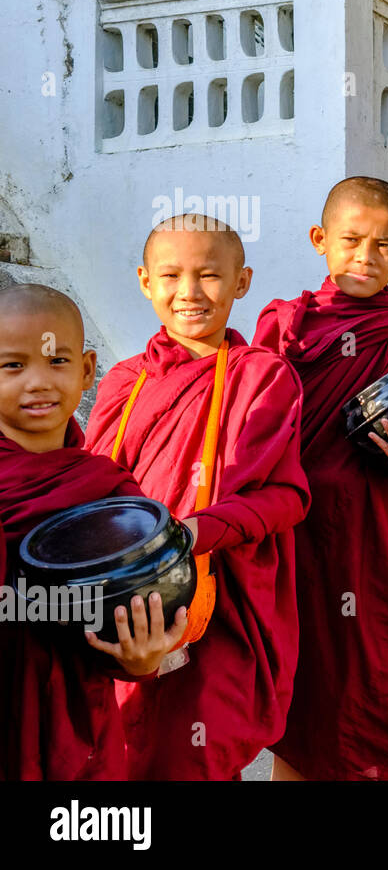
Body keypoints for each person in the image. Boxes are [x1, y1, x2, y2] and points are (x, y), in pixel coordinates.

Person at [84, 214, 309, 780]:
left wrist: (193, 534)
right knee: (122, 753)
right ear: (144, 280)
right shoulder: (123, 382)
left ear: (242, 281)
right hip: (126, 602)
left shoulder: (262, 377)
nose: (188, 292)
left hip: (221, 603)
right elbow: (89, 495)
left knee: (193, 756)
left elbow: (288, 498)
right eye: (171, 275)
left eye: (209, 275)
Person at [253, 177, 388, 781]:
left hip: (378, 539)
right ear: (320, 240)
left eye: (385, 246)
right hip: (300, 538)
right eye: (351, 240)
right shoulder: (284, 326)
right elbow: (254, 428)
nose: (366, 257)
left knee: (381, 686)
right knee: (305, 693)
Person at [0, 284, 187, 780]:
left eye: (56, 361)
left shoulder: (109, 491)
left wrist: (141, 659)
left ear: (86, 370)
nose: (38, 382)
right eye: (13, 366)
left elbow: (124, 623)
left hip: (78, 725)